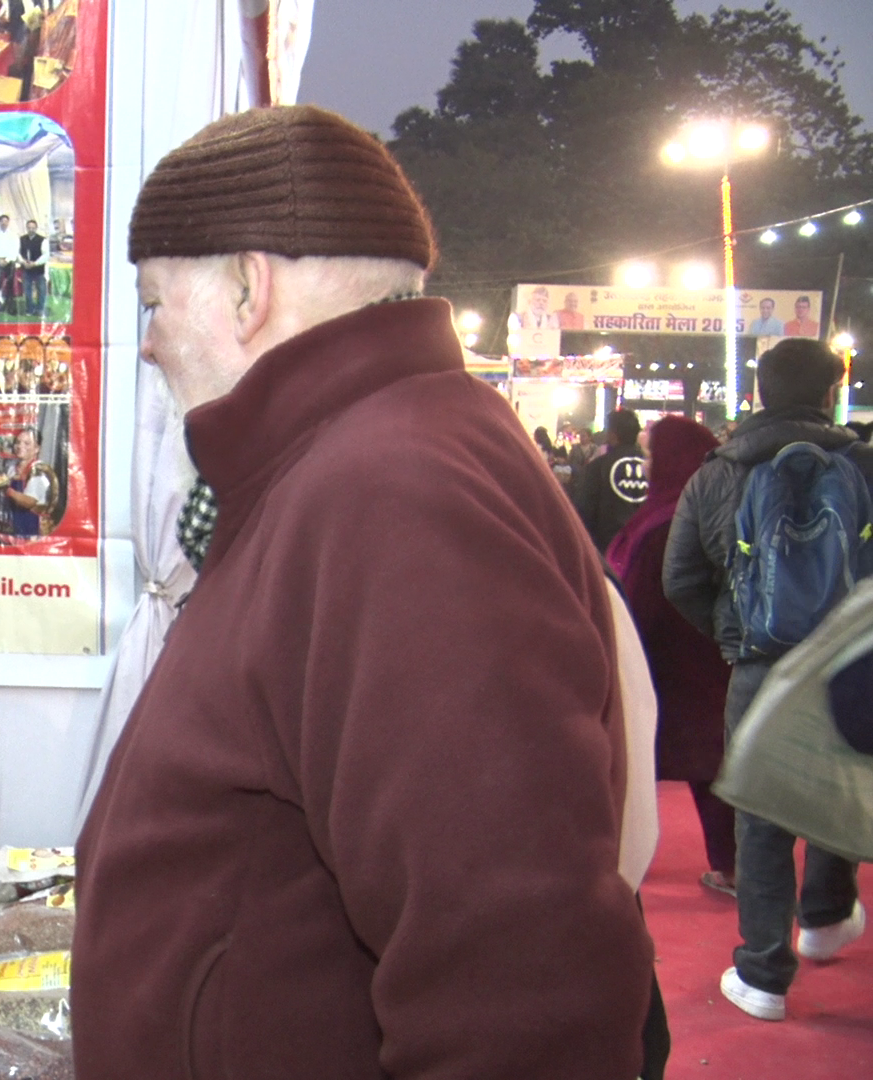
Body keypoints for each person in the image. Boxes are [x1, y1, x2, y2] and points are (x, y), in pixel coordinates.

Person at [76, 106, 652, 1078]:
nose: (148, 343)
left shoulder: (391, 491)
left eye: (155, 303)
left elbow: (518, 982)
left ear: (246, 287)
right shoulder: (358, 459)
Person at [663, 336, 872, 1022]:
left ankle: (762, 974)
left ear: (757, 391)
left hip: (758, 660)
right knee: (842, 785)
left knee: (760, 813)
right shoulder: (864, 465)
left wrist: (734, 633)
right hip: (847, 662)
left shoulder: (717, 471)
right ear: (831, 393)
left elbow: (680, 576)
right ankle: (824, 914)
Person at [606, 416, 736, 897]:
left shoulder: (668, 519)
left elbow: (649, 593)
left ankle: (624, 861)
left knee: (640, 761)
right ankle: (731, 864)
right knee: (709, 765)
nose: (644, 465)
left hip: (672, 660)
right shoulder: (700, 508)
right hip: (702, 659)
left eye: (650, 455)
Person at [571, 408, 648, 552]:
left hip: (608, 548)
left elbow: (583, 509)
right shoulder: (655, 467)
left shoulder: (597, 467)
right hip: (645, 550)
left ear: (613, 434)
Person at [19, 218, 47, 317]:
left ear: (36, 228)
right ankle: (29, 309)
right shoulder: (21, 239)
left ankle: (40, 309)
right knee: (27, 290)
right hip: (26, 268)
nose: (31, 229)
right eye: (29, 227)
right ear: (26, 228)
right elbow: (18, 253)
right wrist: (23, 262)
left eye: (33, 228)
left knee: (42, 290)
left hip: (38, 269)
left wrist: (34, 263)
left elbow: (46, 255)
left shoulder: (43, 240)